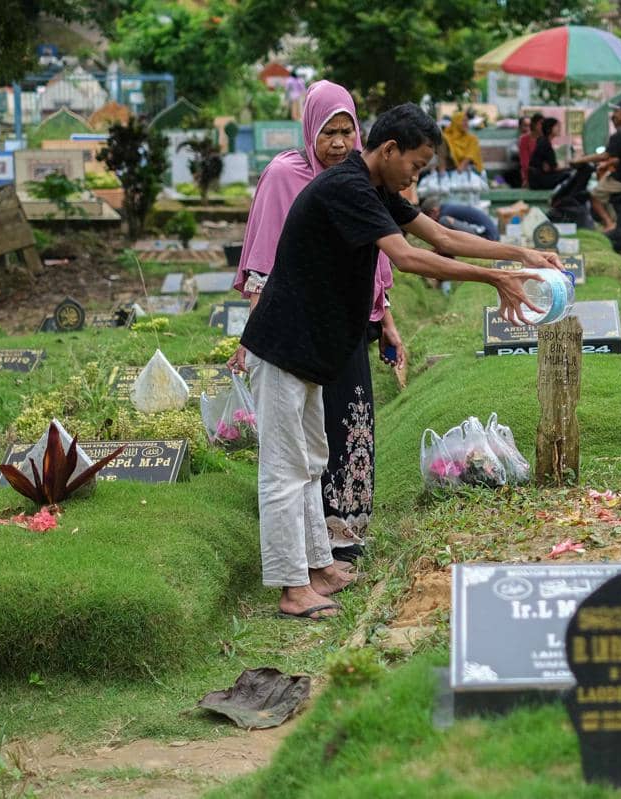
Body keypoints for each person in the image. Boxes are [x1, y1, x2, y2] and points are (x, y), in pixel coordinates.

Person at [239, 102, 562, 620]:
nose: (416, 176)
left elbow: (443, 237)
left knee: (313, 460)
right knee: (284, 469)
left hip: (310, 347)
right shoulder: (348, 188)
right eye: (415, 165)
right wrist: (495, 279)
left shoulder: (374, 190)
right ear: (389, 150)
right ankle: (290, 586)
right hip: (283, 345)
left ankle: (318, 566)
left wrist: (519, 256)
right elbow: (408, 259)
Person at [231, 80, 398, 564]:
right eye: (329, 132)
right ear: (309, 131)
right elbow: (264, 261)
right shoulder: (286, 176)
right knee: (298, 447)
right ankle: (302, 557)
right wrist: (252, 338)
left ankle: (343, 535)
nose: (340, 143)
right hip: (296, 329)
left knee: (350, 423)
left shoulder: (361, 181)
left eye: (348, 131)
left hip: (347, 322)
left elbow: (382, 254)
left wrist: (386, 317)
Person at [570, 97, 621, 232]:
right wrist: (607, 164)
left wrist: (579, 160)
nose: (614, 115)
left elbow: (605, 155)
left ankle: (609, 223)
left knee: (595, 195)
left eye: (617, 111)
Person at [419, 195, 500, 240]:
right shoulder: (446, 208)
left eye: (429, 217)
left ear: (434, 211)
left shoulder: (445, 212)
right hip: (487, 232)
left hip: (487, 234)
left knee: (444, 221)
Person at [527, 117, 571, 190]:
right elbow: (554, 167)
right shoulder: (545, 144)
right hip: (539, 180)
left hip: (535, 179)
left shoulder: (542, 140)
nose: (559, 129)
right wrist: (570, 166)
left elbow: (548, 166)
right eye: (557, 126)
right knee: (569, 173)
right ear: (549, 128)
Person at [518, 112, 543, 187]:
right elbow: (524, 163)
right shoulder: (523, 139)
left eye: (530, 126)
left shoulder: (541, 139)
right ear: (519, 127)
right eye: (525, 126)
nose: (528, 128)